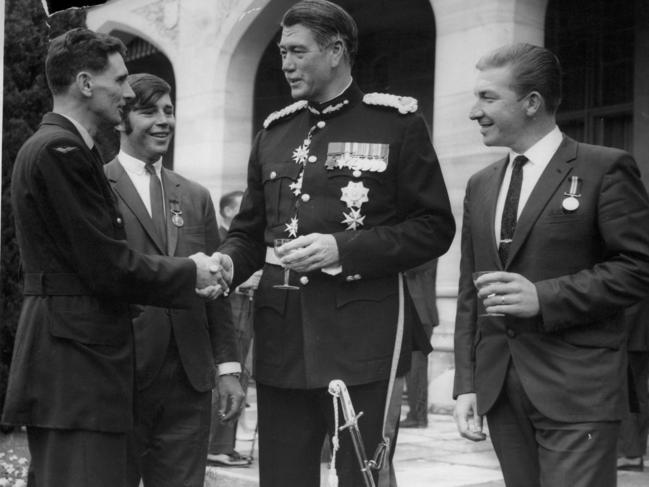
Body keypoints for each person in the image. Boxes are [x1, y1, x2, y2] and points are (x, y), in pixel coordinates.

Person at [211, 1, 455, 485]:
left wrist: (344, 248)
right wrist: (222, 264)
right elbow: (248, 231)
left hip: (361, 341)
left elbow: (434, 226)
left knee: (361, 475)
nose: (285, 63)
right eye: (282, 52)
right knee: (282, 478)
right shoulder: (274, 133)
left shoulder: (396, 124)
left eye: (297, 51)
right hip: (282, 341)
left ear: (336, 50)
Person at [1, 28, 226, 487]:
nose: (127, 92)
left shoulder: (67, 148)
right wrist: (191, 270)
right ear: (86, 83)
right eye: (120, 80)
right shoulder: (60, 151)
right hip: (75, 364)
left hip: (80, 362)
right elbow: (107, 265)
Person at [453, 42, 649, 487]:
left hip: (578, 390)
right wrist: (467, 382)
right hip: (500, 390)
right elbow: (471, 288)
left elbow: (639, 268)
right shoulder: (480, 185)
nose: (473, 111)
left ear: (532, 103)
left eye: (487, 98)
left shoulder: (605, 168)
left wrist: (543, 297)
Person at [103, 73, 245, 486]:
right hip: (121, 374)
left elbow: (216, 288)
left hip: (188, 378)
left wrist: (228, 367)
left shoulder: (196, 195)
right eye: (149, 111)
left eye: (169, 110)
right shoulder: (97, 186)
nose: (164, 120)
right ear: (121, 118)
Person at [207, 190, 261, 467]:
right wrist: (245, 280)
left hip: (245, 306)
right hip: (233, 306)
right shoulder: (219, 235)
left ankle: (224, 444)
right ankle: (218, 446)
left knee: (241, 372)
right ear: (229, 211)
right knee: (231, 370)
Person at [400, 259, 438, 428]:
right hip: (418, 313)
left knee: (416, 368)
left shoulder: (426, 250)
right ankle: (415, 414)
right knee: (413, 368)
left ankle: (418, 416)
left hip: (420, 314)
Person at [617, 298, 649, 471]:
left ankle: (630, 454)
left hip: (631, 330)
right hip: (641, 331)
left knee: (626, 391)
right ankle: (636, 450)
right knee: (638, 391)